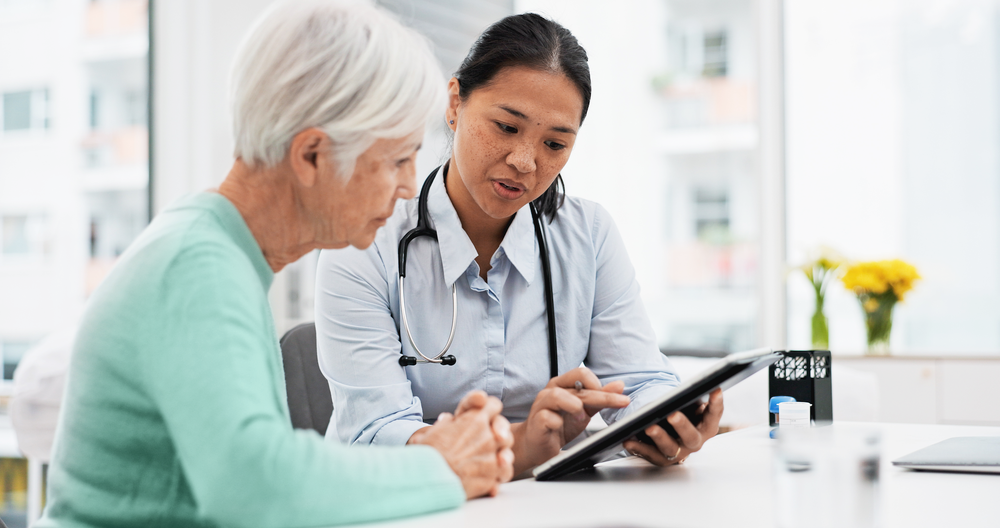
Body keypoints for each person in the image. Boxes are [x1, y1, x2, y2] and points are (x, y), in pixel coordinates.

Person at [36, 2, 515, 527]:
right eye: (397, 159)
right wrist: (442, 465)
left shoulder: (212, 252)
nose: (408, 186)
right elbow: (255, 486)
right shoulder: (198, 271)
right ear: (311, 155)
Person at [316, 12, 724, 477]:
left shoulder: (587, 234)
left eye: (555, 144)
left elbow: (640, 381)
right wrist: (521, 445)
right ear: (454, 104)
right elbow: (373, 435)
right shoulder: (365, 242)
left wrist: (664, 420)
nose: (525, 162)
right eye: (507, 128)